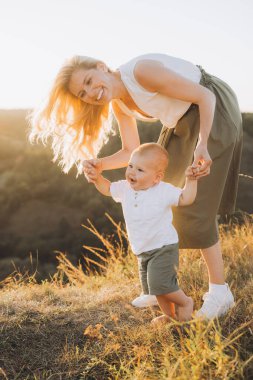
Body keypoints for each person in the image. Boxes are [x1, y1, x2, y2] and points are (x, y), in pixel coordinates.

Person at [29, 53, 242, 319]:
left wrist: (202, 144)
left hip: (213, 109)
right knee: (159, 192)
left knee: (193, 204)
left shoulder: (141, 72)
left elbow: (205, 97)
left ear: (101, 67)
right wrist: (99, 165)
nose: (91, 93)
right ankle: (159, 282)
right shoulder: (119, 104)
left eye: (89, 81)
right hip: (181, 121)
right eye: (83, 93)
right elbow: (130, 150)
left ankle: (220, 292)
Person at [87, 142, 198, 324]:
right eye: (130, 166)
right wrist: (97, 177)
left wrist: (191, 180)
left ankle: (185, 303)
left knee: (162, 284)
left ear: (156, 177)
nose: (132, 172)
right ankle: (170, 316)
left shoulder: (162, 190)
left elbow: (186, 198)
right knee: (156, 289)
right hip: (143, 250)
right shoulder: (125, 188)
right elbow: (107, 188)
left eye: (140, 170)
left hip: (163, 247)